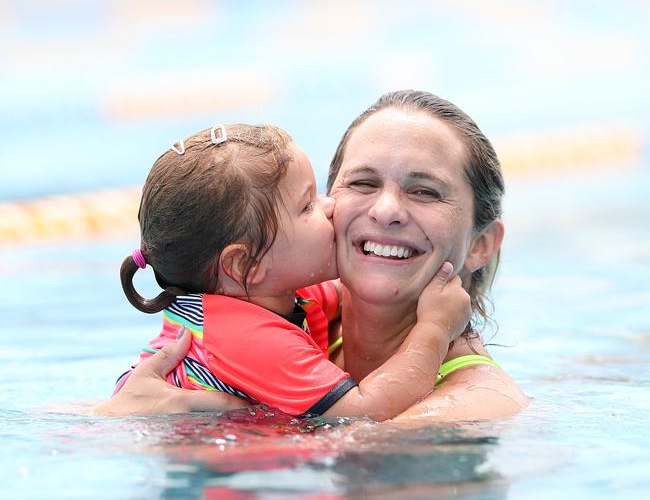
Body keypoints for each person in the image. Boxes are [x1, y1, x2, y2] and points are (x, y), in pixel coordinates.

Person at [97, 91, 528, 422]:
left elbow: (361, 435)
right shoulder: (272, 315)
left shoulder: (476, 405)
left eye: (424, 191)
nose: (385, 211)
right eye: (362, 183)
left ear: (481, 245)